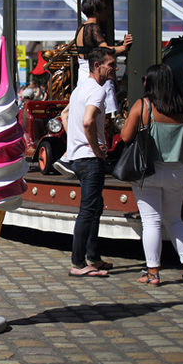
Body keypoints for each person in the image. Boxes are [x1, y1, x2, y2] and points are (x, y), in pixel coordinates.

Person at [120, 64, 183, 286]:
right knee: (174, 219)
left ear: (150, 82)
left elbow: (126, 136)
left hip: (149, 170)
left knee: (151, 222)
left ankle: (153, 272)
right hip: (176, 170)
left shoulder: (144, 105)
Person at [56, 0, 133, 178]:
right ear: (98, 11)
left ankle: (70, 153)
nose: (107, 12)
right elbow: (105, 51)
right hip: (94, 73)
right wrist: (123, 47)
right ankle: (76, 154)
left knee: (73, 112)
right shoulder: (93, 28)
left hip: (84, 73)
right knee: (103, 117)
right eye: (104, 9)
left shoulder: (81, 29)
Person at [64, 47, 117, 277]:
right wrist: (97, 149)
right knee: (88, 210)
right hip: (89, 158)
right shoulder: (97, 90)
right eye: (111, 65)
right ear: (97, 66)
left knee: (94, 206)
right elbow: (87, 122)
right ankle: (78, 263)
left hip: (78, 156)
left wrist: (73, 142)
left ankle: (93, 257)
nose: (114, 69)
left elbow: (65, 115)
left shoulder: (79, 90)